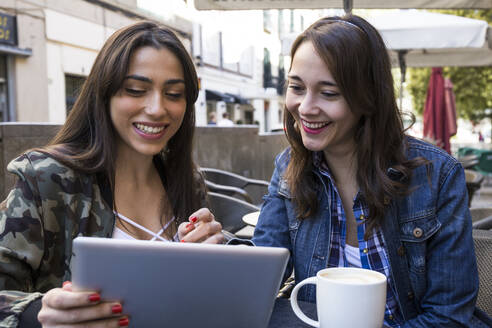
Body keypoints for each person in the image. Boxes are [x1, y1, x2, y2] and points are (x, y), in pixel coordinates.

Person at [253, 15, 490, 327]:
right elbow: (260, 278)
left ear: (367, 98)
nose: (305, 107)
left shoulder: (438, 176)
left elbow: (447, 317)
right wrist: (216, 252)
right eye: (297, 87)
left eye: (329, 93)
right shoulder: (288, 168)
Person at [0, 21, 224, 327]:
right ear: (103, 94)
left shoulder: (187, 182)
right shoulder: (47, 179)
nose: (158, 108)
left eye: (174, 94)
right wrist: (36, 314)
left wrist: (219, 253)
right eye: (135, 90)